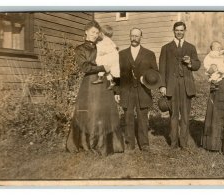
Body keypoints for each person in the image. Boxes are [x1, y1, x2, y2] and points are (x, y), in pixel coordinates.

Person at [66, 20, 124, 156]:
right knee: (90, 112)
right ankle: (87, 144)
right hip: (89, 84)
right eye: (92, 32)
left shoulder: (100, 46)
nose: (94, 35)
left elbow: (111, 58)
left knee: (104, 112)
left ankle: (106, 144)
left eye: (97, 32)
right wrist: (102, 67)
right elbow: (84, 67)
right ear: (86, 32)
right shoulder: (80, 49)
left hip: (104, 83)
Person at [114, 28, 159, 152]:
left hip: (143, 91)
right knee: (128, 117)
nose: (134, 38)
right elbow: (117, 75)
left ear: (141, 37)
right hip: (126, 90)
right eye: (132, 36)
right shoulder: (122, 54)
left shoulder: (149, 54)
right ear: (129, 36)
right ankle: (129, 143)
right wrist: (117, 91)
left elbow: (155, 72)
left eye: (137, 36)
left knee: (143, 118)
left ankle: (144, 143)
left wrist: (146, 78)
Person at [159, 21, 201, 151]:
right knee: (173, 115)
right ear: (173, 30)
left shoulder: (191, 47)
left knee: (185, 114)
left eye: (181, 30)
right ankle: (173, 143)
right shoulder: (166, 48)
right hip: (172, 85)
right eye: (177, 30)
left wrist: (190, 63)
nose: (179, 32)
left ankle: (184, 143)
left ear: (185, 31)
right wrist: (162, 86)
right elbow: (162, 69)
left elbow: (197, 65)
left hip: (186, 84)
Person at [92, 25, 120, 90]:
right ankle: (111, 82)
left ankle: (100, 78)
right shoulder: (110, 40)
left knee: (103, 67)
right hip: (113, 58)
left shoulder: (105, 40)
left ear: (102, 33)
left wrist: (103, 52)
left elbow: (105, 49)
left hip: (109, 58)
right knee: (107, 71)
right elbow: (115, 47)